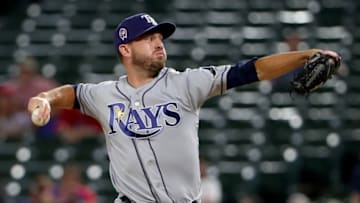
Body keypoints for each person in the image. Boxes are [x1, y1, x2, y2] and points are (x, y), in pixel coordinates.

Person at [27, 13, 341, 203]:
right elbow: (71, 93)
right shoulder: (104, 94)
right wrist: (45, 99)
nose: (159, 42)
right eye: (147, 38)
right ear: (125, 49)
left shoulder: (186, 84)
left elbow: (252, 70)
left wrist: (305, 55)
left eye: (159, 37)